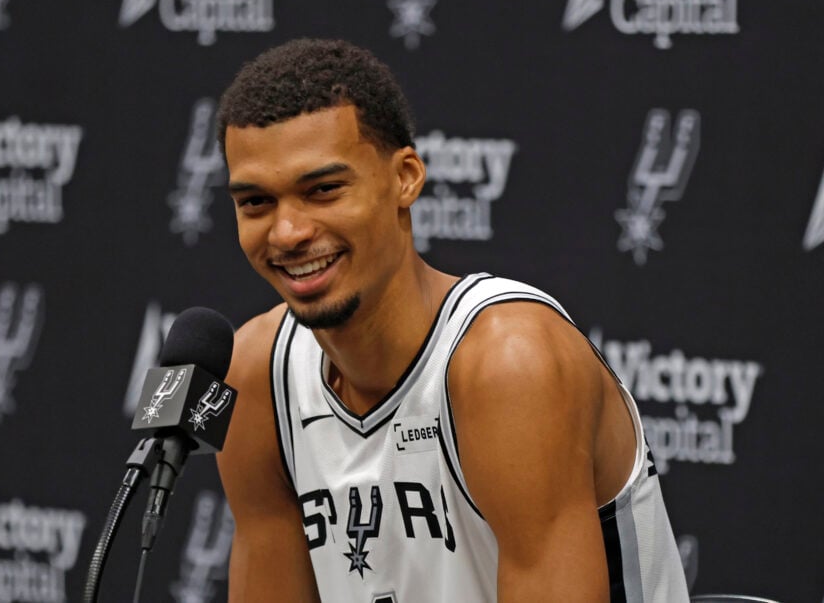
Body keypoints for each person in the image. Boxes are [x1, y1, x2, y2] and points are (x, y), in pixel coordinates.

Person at [214, 38, 688, 602]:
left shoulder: (509, 364)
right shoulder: (256, 373)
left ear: (406, 178)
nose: (287, 232)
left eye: (323, 190)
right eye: (256, 203)